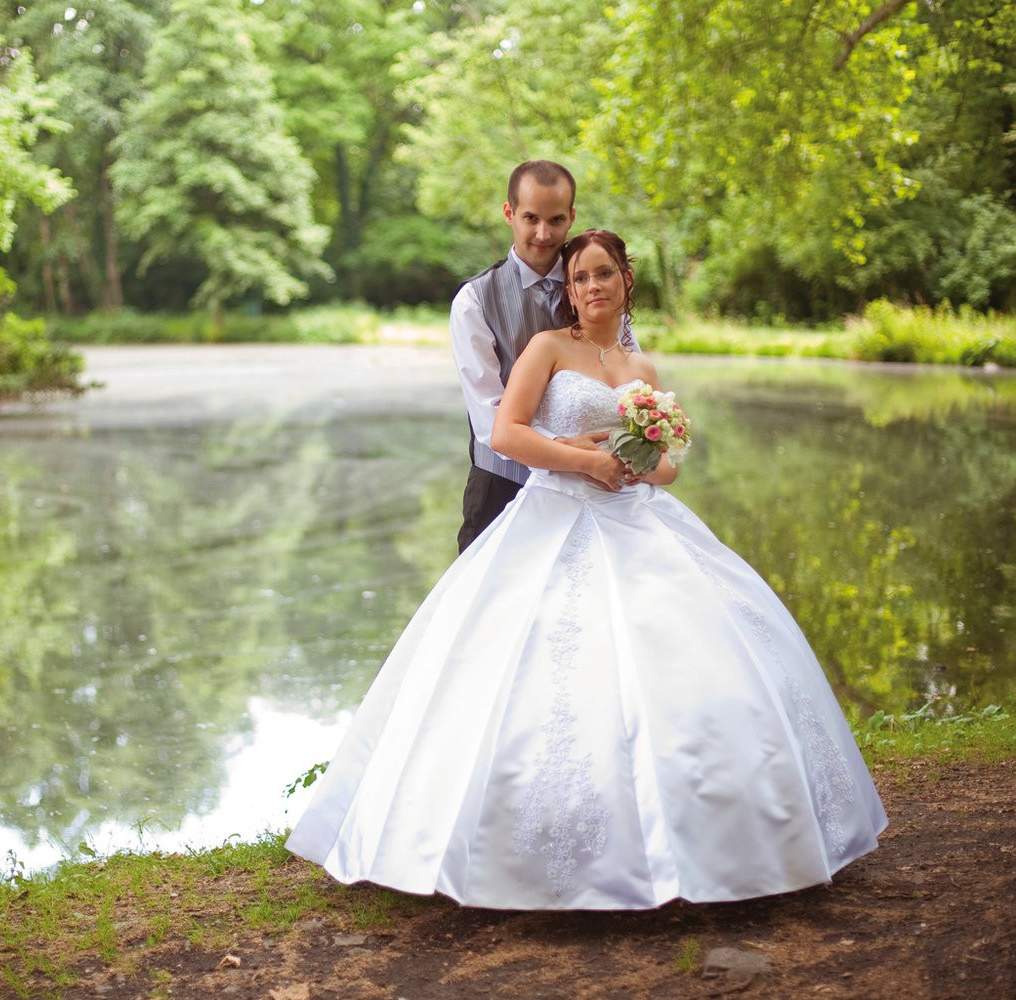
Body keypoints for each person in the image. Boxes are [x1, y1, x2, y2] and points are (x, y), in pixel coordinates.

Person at [286, 228, 887, 910]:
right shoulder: (547, 349)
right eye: (580, 278)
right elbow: (507, 433)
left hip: (636, 521)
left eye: (603, 273)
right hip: (554, 513)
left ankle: (724, 845)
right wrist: (582, 459)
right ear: (569, 291)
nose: (592, 286)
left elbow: (666, 465)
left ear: (626, 280)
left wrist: (634, 464)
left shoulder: (644, 371)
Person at [450, 160, 640, 553]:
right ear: (509, 214)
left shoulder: (591, 281)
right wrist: (570, 452)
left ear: (571, 217)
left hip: (596, 495)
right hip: (501, 488)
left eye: (555, 220)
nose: (543, 233)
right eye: (530, 218)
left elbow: (627, 374)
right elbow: (491, 420)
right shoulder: (474, 300)